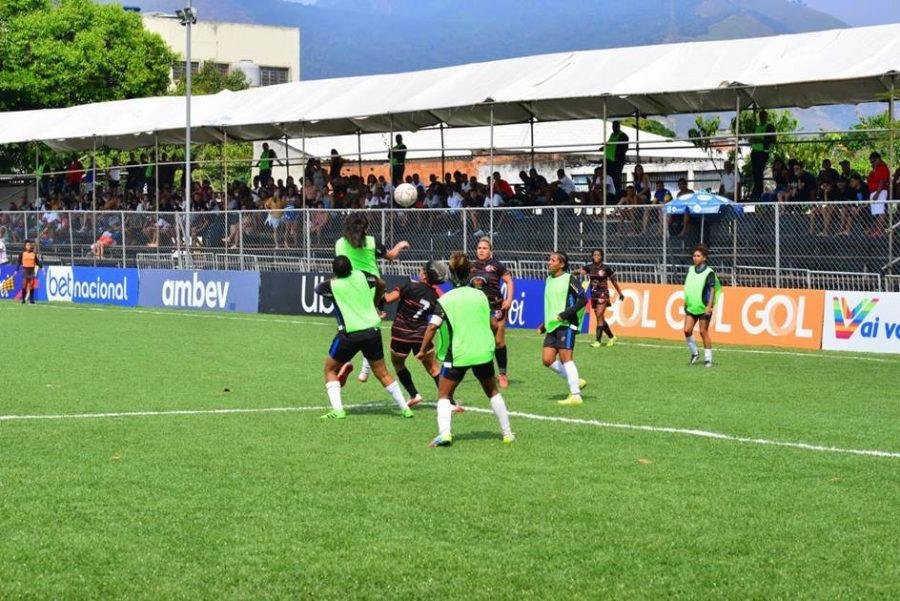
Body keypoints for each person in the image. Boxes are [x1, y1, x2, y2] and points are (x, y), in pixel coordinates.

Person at [417, 252, 514, 447]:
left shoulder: (446, 299)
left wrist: (423, 349)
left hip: (459, 352)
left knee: (443, 395)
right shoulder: (480, 295)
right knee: (492, 392)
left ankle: (445, 434)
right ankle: (508, 433)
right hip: (482, 351)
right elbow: (494, 325)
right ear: (469, 273)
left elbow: (432, 326)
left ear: (450, 275)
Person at [315, 256, 413, 420]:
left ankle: (338, 410)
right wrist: (375, 300)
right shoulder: (361, 275)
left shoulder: (331, 285)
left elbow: (318, 289)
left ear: (334, 271)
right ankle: (405, 409)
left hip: (349, 334)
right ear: (351, 267)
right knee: (382, 373)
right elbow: (381, 283)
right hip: (372, 331)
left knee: (330, 370)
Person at [335, 212, 410, 383]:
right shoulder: (370, 242)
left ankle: (346, 361)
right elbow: (390, 256)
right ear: (366, 228)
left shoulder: (339, 243)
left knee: (350, 326)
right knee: (370, 328)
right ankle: (365, 368)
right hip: (370, 288)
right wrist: (400, 245)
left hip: (348, 288)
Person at [382, 261, 447, 408]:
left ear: (424, 275)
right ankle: (448, 401)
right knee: (434, 369)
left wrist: (379, 290)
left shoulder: (409, 286)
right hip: (421, 336)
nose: (420, 270)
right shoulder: (434, 296)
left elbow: (387, 299)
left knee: (398, 364)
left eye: (422, 270)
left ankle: (414, 394)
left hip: (401, 334)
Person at [537, 251, 588, 406]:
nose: (549, 262)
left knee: (566, 359)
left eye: (553, 260)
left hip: (567, 324)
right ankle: (576, 380)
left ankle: (576, 395)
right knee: (547, 360)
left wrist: (565, 314)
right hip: (553, 325)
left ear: (562, 264)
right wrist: (545, 324)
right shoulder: (548, 280)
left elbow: (583, 299)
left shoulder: (569, 279)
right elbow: (552, 305)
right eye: (549, 260)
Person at [470, 237, 514, 388]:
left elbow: (509, 281)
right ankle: (486, 373)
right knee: (482, 341)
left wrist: (508, 299)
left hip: (496, 307)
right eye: (479, 248)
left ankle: (502, 374)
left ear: (490, 251)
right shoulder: (471, 266)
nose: (481, 250)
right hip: (478, 309)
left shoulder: (496, 265)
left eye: (484, 248)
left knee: (499, 341)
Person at [683, 243, 722, 368]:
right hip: (692, 306)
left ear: (704, 258)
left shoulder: (709, 272)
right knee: (687, 330)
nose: (695, 258)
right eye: (694, 255)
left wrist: (709, 306)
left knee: (703, 332)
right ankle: (695, 353)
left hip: (703, 306)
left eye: (698, 256)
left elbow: (712, 290)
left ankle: (708, 359)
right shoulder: (691, 269)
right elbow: (689, 286)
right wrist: (686, 301)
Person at [579, 249, 624, 348]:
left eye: (598, 255)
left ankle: (597, 341)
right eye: (594, 254)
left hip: (603, 294)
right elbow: (581, 272)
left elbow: (614, 281)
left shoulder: (606, 268)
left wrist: (620, 293)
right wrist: (576, 272)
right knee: (601, 318)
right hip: (594, 295)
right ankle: (611, 337)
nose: (596, 256)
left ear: (602, 256)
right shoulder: (589, 267)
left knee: (599, 315)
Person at [748, 109, 776, 199]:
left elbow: (773, 140)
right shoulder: (756, 127)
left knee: (759, 172)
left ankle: (758, 191)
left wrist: (761, 140)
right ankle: (756, 190)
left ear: (766, 117)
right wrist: (752, 140)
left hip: (763, 152)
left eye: (763, 116)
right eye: (760, 116)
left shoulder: (769, 126)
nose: (762, 118)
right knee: (755, 172)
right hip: (755, 151)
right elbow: (751, 138)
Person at [867, 151, 890, 238]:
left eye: (873, 161)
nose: (872, 163)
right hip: (874, 192)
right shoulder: (875, 169)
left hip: (879, 192)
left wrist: (877, 193)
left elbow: (882, 181)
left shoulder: (882, 167)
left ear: (878, 159)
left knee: (880, 211)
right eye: (871, 162)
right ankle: (877, 229)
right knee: (877, 212)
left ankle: (879, 231)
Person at [603, 121, 628, 195]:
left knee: (615, 178)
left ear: (619, 126)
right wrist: (603, 147)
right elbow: (609, 144)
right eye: (613, 126)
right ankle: (608, 193)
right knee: (607, 177)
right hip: (609, 160)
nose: (613, 128)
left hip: (617, 161)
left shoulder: (623, 135)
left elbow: (624, 148)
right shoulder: (612, 135)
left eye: (615, 126)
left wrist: (617, 156)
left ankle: (617, 194)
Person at [16, 240, 42, 304]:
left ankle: (32, 300)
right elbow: (19, 262)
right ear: (25, 246)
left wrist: (42, 267)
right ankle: (23, 300)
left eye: (29, 245)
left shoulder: (33, 254)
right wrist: (16, 270)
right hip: (25, 271)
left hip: (32, 271)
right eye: (27, 245)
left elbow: (37, 262)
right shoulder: (22, 254)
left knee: (31, 286)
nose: (28, 246)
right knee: (24, 285)